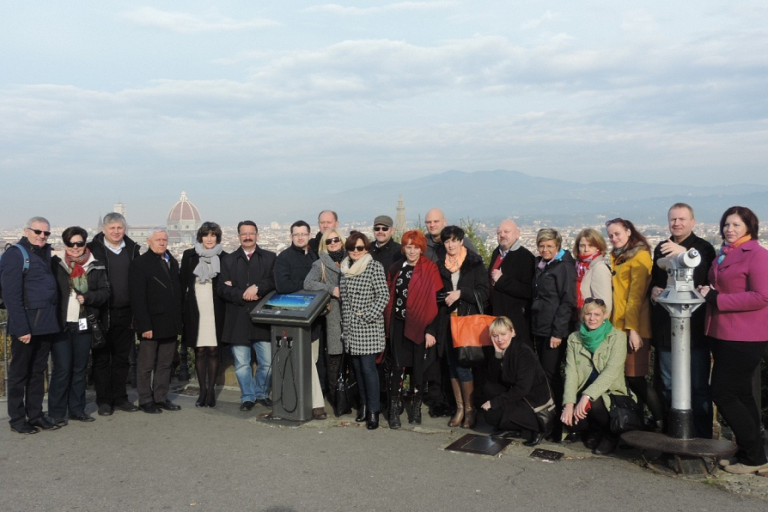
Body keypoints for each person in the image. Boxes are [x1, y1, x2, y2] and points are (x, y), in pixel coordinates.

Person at [700, 206, 768, 474]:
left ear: (749, 227)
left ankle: (754, 456)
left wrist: (718, 299)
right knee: (741, 394)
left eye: (736, 225)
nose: (730, 229)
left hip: (745, 334)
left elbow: (762, 296)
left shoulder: (758, 255)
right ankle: (754, 454)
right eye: (727, 224)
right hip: (722, 331)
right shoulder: (725, 254)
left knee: (723, 392)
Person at [650, 203, 716, 438]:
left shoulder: (704, 248)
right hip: (667, 328)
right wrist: (653, 291)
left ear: (692, 222)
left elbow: (703, 280)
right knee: (668, 384)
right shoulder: (661, 248)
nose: (676, 223)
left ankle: (702, 436)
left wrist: (680, 253)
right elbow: (655, 278)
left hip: (695, 329)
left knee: (698, 386)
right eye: (673, 219)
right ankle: (674, 434)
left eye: (681, 219)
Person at [1, 217, 60, 434]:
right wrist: (21, 328)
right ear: (27, 231)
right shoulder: (14, 255)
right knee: (19, 374)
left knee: (38, 372)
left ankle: (35, 414)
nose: (42, 236)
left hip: (45, 323)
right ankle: (17, 419)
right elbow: (11, 296)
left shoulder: (44, 253)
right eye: (38, 231)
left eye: (46, 233)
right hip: (26, 326)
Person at [605, 217, 664, 430]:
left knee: (636, 376)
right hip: (617, 326)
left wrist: (633, 329)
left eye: (617, 234)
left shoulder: (640, 256)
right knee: (626, 379)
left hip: (634, 327)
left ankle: (659, 419)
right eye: (610, 235)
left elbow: (636, 296)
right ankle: (636, 419)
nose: (614, 238)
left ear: (629, 231)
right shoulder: (616, 257)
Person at [49, 226, 110, 425]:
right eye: (71, 244)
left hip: (84, 322)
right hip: (62, 324)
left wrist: (89, 297)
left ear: (85, 243)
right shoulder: (55, 263)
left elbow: (105, 293)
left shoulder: (95, 265)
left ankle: (77, 409)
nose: (75, 248)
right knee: (62, 369)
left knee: (79, 368)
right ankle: (57, 412)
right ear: (65, 244)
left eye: (80, 243)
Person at [383, 230, 443, 428]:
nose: (412, 251)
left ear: (421, 248)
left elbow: (436, 302)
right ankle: (394, 409)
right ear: (404, 248)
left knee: (418, 369)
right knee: (397, 367)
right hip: (398, 324)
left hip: (421, 325)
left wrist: (431, 330)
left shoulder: (430, 269)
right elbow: (390, 296)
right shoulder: (396, 268)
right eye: (408, 247)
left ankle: (416, 408)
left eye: (416, 247)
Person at [561, 297, 632, 455]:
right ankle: (592, 430)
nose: (592, 318)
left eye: (597, 314)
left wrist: (586, 396)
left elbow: (611, 372)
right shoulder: (574, 338)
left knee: (594, 401)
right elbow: (571, 372)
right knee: (570, 411)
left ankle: (610, 434)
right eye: (588, 314)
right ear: (583, 316)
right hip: (583, 387)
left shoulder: (618, 337)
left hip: (610, 391)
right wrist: (569, 404)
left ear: (604, 315)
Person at [218, 221, 276, 411]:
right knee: (242, 363)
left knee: (267, 362)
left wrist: (257, 287)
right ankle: (248, 397)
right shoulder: (228, 260)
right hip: (238, 318)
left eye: (251, 233)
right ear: (238, 236)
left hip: (262, 318)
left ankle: (261, 393)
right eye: (244, 234)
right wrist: (242, 294)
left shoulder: (270, 257)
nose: (248, 236)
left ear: (257, 235)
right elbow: (221, 289)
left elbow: (274, 281)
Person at [435, 225, 489, 429]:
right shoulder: (440, 264)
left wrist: (461, 293)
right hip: (447, 321)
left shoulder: (474, 262)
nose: (450, 245)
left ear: (461, 241)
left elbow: (483, 292)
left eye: (454, 241)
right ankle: (459, 407)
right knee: (451, 366)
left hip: (466, 321)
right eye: (447, 241)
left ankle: (469, 409)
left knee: (464, 365)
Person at [88, 212, 141, 416]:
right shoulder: (93, 250)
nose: (116, 232)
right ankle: (103, 400)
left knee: (122, 358)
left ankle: (120, 397)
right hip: (102, 312)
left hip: (127, 312)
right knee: (101, 358)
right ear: (104, 230)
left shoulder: (132, 249)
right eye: (112, 228)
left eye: (119, 228)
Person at [275, 220, 326, 420]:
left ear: (309, 235)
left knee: (311, 360)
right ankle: (317, 405)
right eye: (296, 234)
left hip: (315, 317)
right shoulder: (284, 258)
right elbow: (282, 285)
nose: (300, 237)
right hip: (295, 318)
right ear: (291, 236)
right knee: (306, 360)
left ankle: (301, 400)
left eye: (303, 234)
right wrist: (308, 286)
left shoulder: (315, 256)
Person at [339, 232, 389, 430]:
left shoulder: (373, 266)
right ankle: (364, 405)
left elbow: (383, 296)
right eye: (352, 248)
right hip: (351, 328)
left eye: (359, 248)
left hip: (368, 328)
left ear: (366, 249)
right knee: (358, 370)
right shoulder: (345, 268)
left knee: (369, 370)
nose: (355, 251)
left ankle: (374, 410)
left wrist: (366, 315)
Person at [130, 230, 183, 414]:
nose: (162, 243)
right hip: (151, 323)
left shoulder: (172, 262)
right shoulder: (140, 264)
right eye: (158, 240)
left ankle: (160, 397)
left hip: (170, 322)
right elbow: (138, 298)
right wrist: (145, 326)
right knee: (146, 364)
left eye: (164, 240)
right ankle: (145, 400)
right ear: (149, 241)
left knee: (165, 363)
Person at [530, 228, 576, 441]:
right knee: (543, 375)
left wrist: (558, 332)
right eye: (542, 245)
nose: (545, 249)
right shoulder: (542, 264)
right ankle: (545, 420)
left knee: (551, 375)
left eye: (549, 246)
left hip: (553, 330)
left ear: (558, 247)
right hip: (540, 327)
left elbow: (567, 301)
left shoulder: (563, 267)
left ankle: (557, 424)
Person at [480, 316, 553, 446]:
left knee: (492, 412)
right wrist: (497, 355)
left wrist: (494, 402)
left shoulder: (523, 352)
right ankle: (516, 428)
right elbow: (493, 379)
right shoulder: (503, 350)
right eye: (495, 336)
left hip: (534, 401)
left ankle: (536, 428)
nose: (500, 339)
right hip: (520, 397)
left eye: (503, 334)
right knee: (488, 391)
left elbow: (522, 388)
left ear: (512, 332)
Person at [180, 222, 226, 408]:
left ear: (217, 238)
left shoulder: (225, 257)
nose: (209, 239)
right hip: (196, 308)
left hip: (215, 309)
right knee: (199, 350)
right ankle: (202, 390)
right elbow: (182, 281)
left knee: (214, 350)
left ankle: (211, 391)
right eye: (206, 235)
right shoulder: (189, 256)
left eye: (213, 235)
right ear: (200, 237)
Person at [303, 229, 346, 410]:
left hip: (353, 314)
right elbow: (308, 283)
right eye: (329, 241)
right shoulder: (319, 263)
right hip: (334, 315)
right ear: (324, 245)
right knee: (335, 357)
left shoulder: (351, 259)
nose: (333, 243)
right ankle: (337, 399)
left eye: (336, 239)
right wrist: (330, 288)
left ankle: (351, 397)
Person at [488, 219, 535, 345]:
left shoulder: (525, 257)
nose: (502, 235)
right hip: (497, 319)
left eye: (506, 232)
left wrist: (503, 280)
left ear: (517, 234)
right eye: (499, 232)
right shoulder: (496, 253)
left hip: (515, 321)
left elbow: (528, 290)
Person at [573, 228, 612, 317]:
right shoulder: (579, 267)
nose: (586, 249)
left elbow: (605, 304)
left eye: (591, 246)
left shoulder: (599, 268)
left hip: (592, 324)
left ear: (598, 247)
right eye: (582, 246)